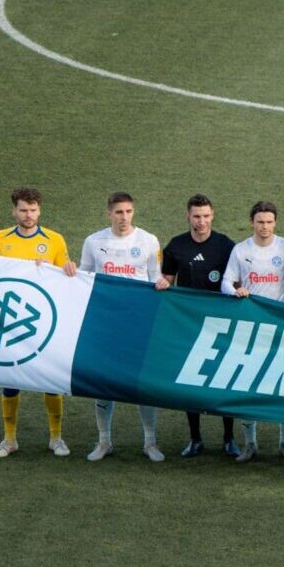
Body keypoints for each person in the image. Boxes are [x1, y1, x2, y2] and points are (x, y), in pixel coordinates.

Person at [0, 187, 75, 458]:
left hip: (44, 320)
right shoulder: (0, 239)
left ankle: (56, 438)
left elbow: (66, 277)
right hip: (11, 320)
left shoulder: (54, 240)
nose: (28, 215)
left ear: (40, 210)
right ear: (14, 210)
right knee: (10, 380)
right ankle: (9, 439)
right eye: (23, 210)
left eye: (33, 210)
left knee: (51, 379)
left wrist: (69, 269)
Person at [80, 192, 163, 462]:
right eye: (118, 212)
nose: (124, 217)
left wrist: (163, 284)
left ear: (133, 212)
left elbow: (156, 279)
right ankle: (104, 441)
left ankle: (150, 443)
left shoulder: (148, 241)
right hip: (105, 323)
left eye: (128, 211)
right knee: (104, 384)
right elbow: (84, 278)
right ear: (109, 214)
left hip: (138, 322)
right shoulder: (94, 241)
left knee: (143, 383)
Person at [156, 194, 238, 458]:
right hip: (188, 324)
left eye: (205, 216)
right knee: (190, 379)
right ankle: (195, 438)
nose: (201, 221)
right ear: (188, 216)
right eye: (196, 216)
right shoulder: (176, 246)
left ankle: (229, 438)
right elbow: (167, 278)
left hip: (221, 324)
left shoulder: (226, 245)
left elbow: (234, 280)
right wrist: (163, 283)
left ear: (212, 215)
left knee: (224, 377)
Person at [220, 200, 284, 462]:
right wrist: (235, 290)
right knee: (248, 384)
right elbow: (225, 282)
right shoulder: (241, 250)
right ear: (252, 222)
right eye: (260, 222)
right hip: (251, 328)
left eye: (269, 222)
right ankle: (250, 443)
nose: (264, 227)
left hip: (282, 327)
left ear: (275, 222)